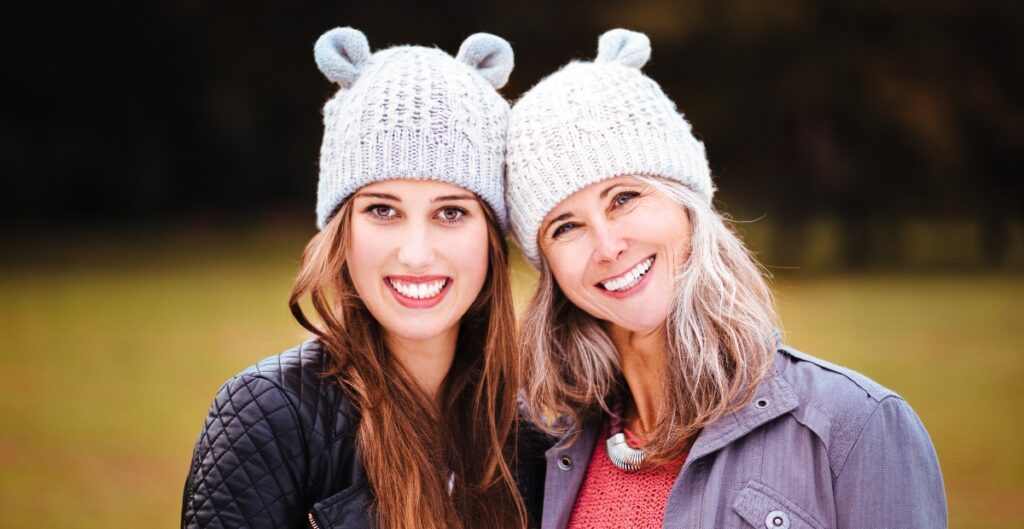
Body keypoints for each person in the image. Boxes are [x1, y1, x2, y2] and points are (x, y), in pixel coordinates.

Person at [505, 29, 947, 529]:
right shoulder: (541, 454)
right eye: (566, 227)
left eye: (625, 198)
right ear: (548, 268)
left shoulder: (854, 427)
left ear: (688, 205)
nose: (607, 247)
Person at [181, 27, 528, 529]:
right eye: (382, 210)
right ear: (341, 232)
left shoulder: (529, 432)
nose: (415, 253)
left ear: (492, 237)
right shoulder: (270, 418)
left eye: (450, 213)